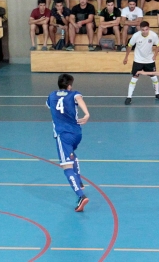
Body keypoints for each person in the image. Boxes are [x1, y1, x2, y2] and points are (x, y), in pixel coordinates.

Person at [46, 73, 90, 212]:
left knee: (66, 167)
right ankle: (79, 181)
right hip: (77, 133)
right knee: (71, 155)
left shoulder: (51, 96)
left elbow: (48, 105)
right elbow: (79, 99)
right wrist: (87, 114)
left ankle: (80, 196)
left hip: (63, 134)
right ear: (69, 86)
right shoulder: (74, 94)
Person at [122, 21, 159, 105]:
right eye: (143, 30)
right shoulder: (136, 36)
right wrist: (126, 57)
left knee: (154, 77)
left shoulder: (153, 35)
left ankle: (157, 94)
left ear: (149, 28)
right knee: (134, 77)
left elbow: (158, 45)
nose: (145, 31)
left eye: (146, 29)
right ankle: (129, 97)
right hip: (138, 60)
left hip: (149, 60)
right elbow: (129, 46)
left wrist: (155, 55)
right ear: (140, 29)